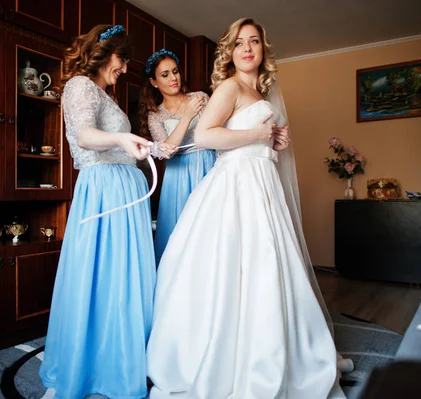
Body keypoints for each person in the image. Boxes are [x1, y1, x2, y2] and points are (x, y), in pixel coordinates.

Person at [146, 18, 347, 398]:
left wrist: (274, 142)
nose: (248, 48)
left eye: (254, 41)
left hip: (263, 184)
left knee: (269, 267)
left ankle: (272, 348)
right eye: (240, 43)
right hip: (235, 185)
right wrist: (258, 134)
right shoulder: (229, 86)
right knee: (232, 267)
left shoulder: (263, 97)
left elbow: (259, 140)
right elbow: (205, 135)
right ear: (230, 52)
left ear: (263, 50)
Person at [38, 24, 174, 399]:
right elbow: (83, 136)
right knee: (100, 277)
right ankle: (89, 366)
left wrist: (141, 147)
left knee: (123, 278)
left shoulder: (103, 94)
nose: (125, 68)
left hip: (124, 189)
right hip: (104, 190)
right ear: (104, 52)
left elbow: (116, 142)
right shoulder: (81, 85)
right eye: (122, 58)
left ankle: (122, 358)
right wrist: (120, 138)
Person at [139, 49, 217, 263]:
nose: (173, 78)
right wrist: (187, 116)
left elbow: (217, 132)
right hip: (178, 176)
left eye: (175, 71)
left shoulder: (200, 98)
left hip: (207, 166)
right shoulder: (155, 115)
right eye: (165, 75)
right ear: (154, 82)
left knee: (210, 228)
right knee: (179, 232)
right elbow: (167, 151)